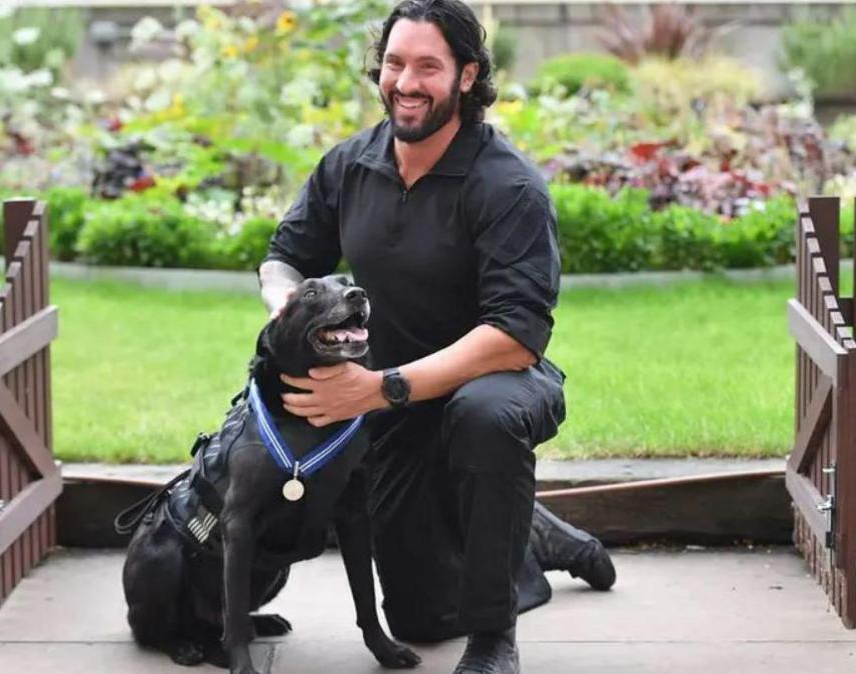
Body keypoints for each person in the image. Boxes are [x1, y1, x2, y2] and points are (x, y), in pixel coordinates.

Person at [257, 1, 615, 671]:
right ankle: (536, 539)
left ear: (468, 77)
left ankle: (493, 640)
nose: (406, 82)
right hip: (393, 404)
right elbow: (285, 255)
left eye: (428, 66)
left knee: (483, 416)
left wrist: (381, 388)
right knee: (419, 618)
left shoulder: (506, 186)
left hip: (494, 383)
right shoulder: (351, 164)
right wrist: (284, 300)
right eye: (395, 63)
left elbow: (515, 335)